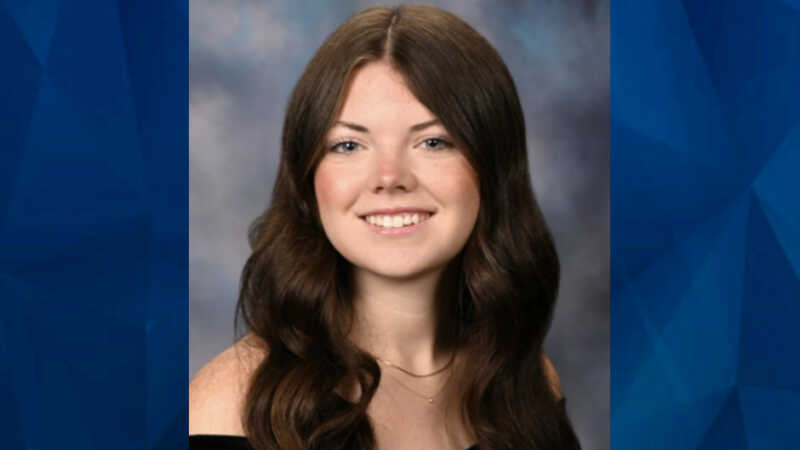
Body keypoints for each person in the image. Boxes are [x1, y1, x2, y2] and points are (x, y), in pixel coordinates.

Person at [189, 4, 581, 450]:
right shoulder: (229, 409)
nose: (390, 177)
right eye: (348, 145)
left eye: (433, 141)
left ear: (492, 167)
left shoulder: (527, 384)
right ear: (307, 176)